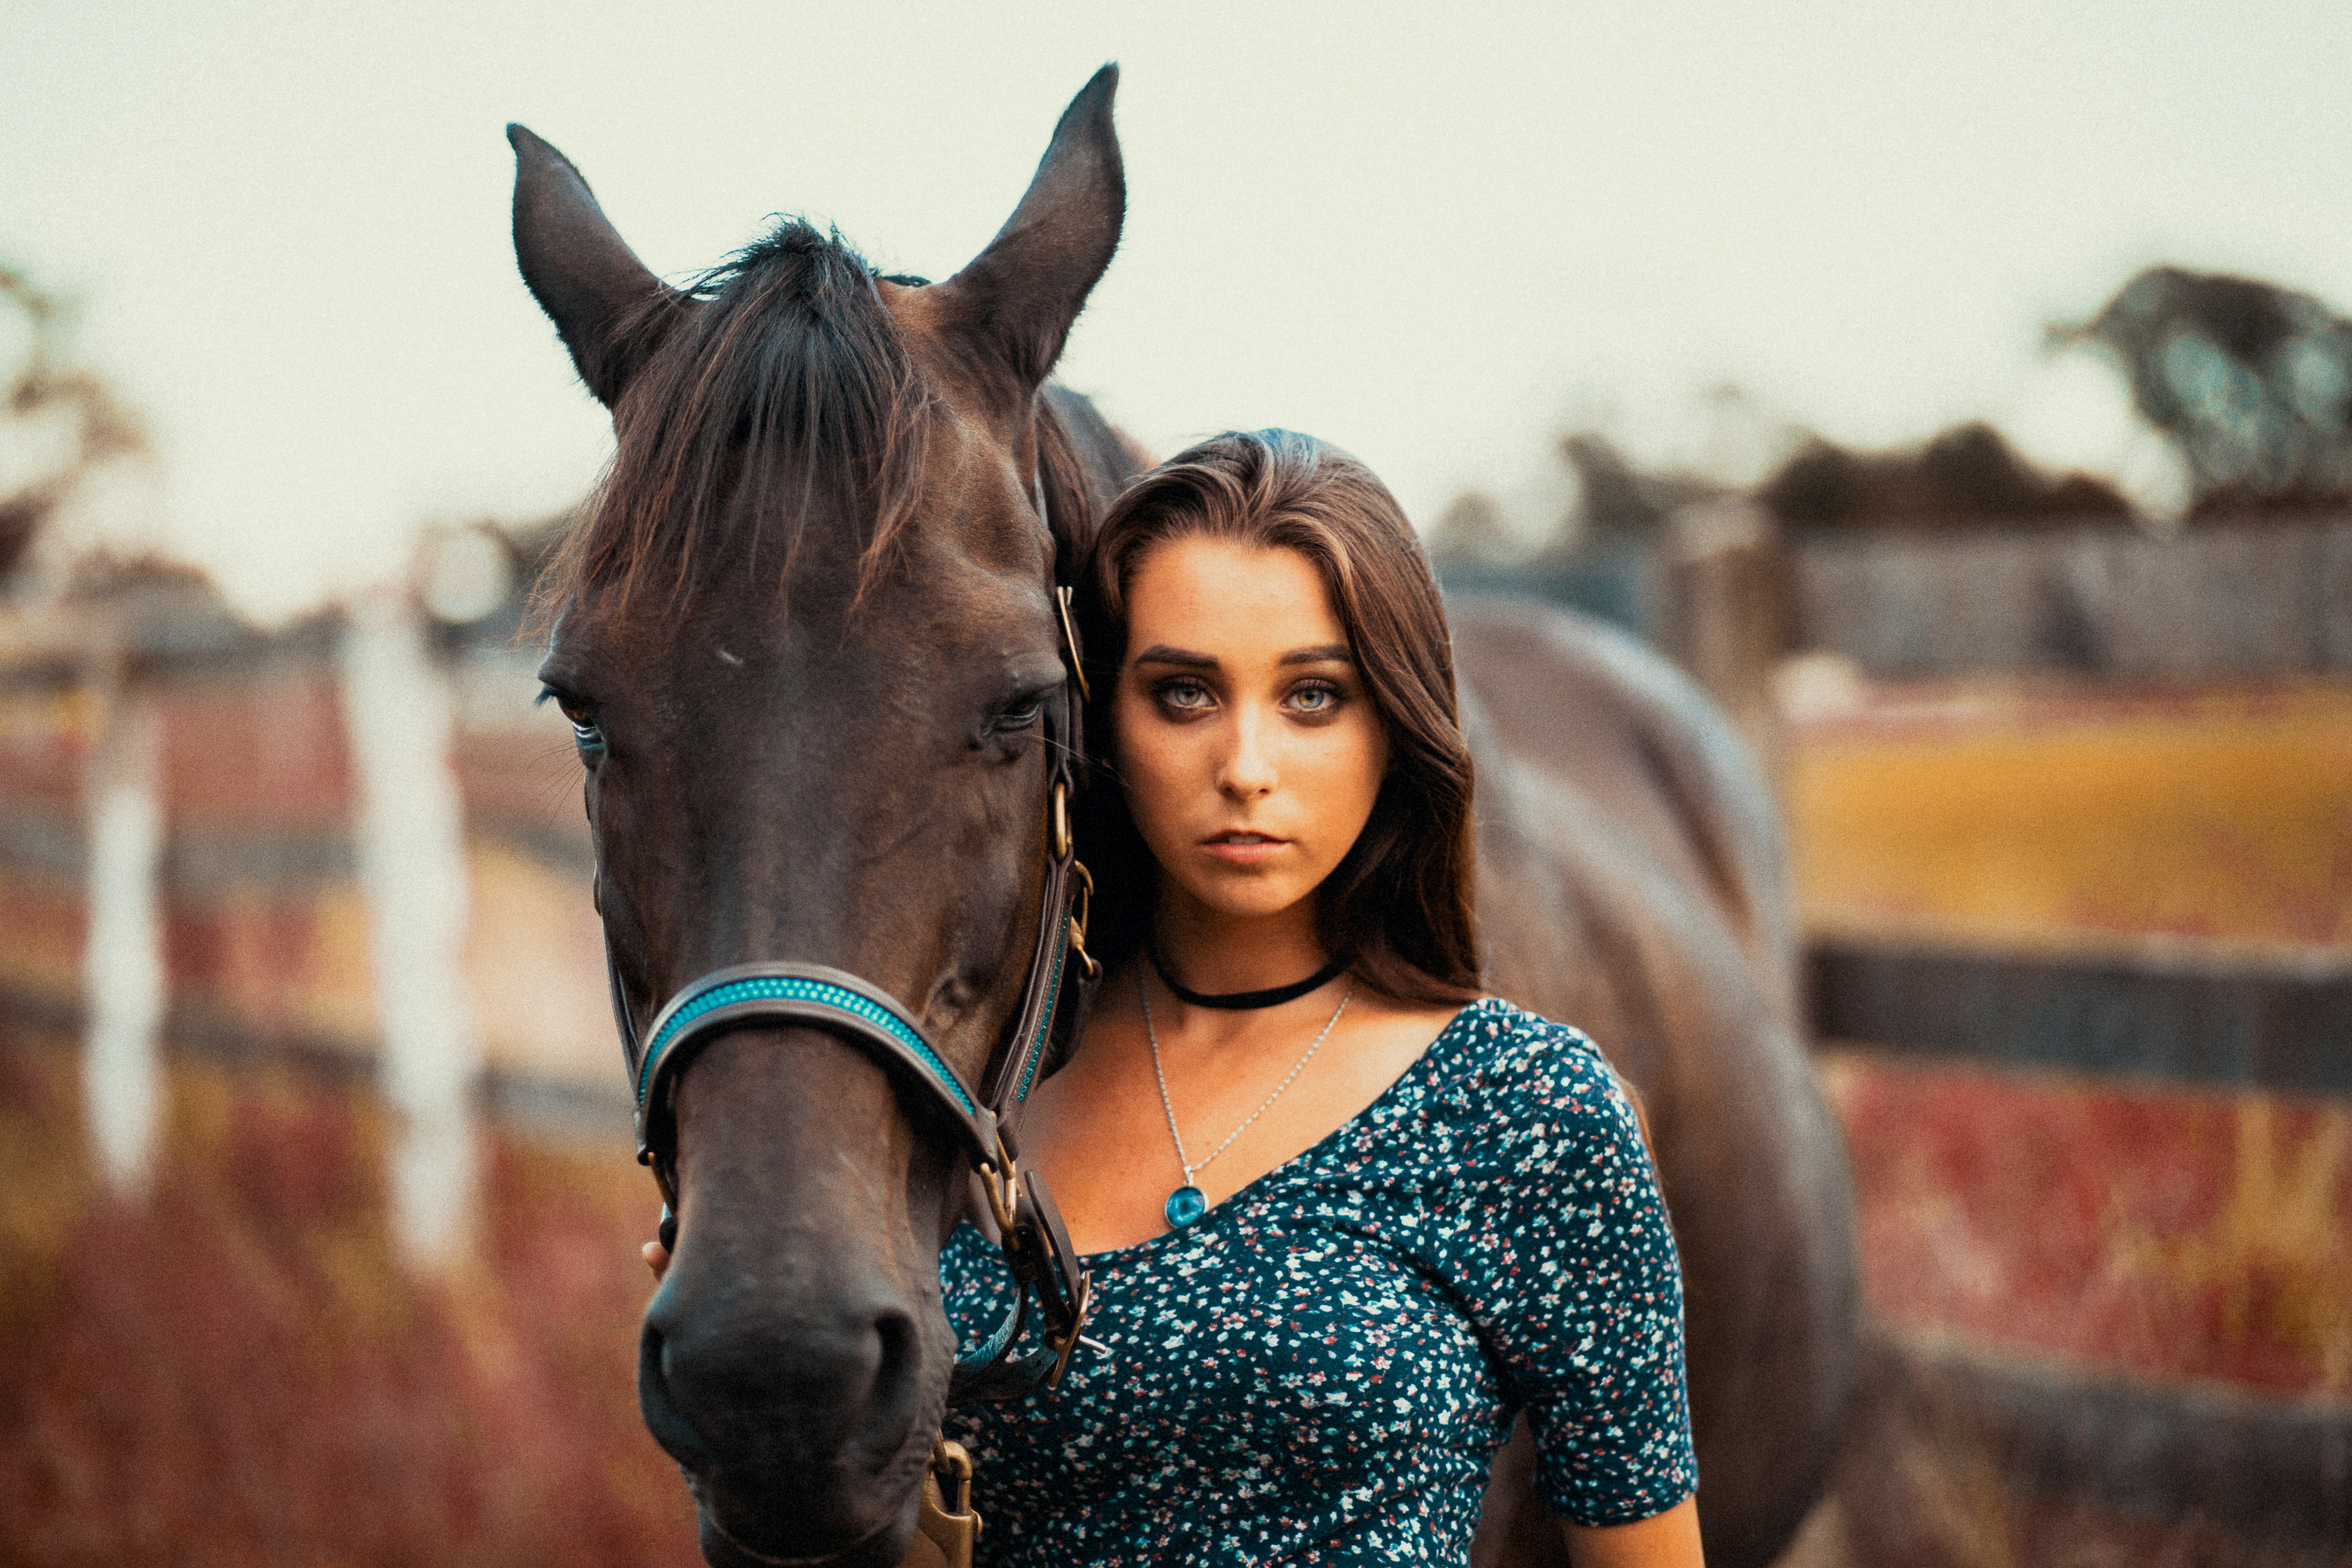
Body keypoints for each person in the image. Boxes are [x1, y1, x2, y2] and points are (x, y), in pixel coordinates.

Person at [653, 430, 1702, 1567]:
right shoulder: (967, 1114)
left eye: (1313, 696)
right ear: (1104, 721)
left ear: (1395, 727)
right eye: (1185, 692)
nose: (1246, 763)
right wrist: (756, 1440)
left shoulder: (1531, 1111)